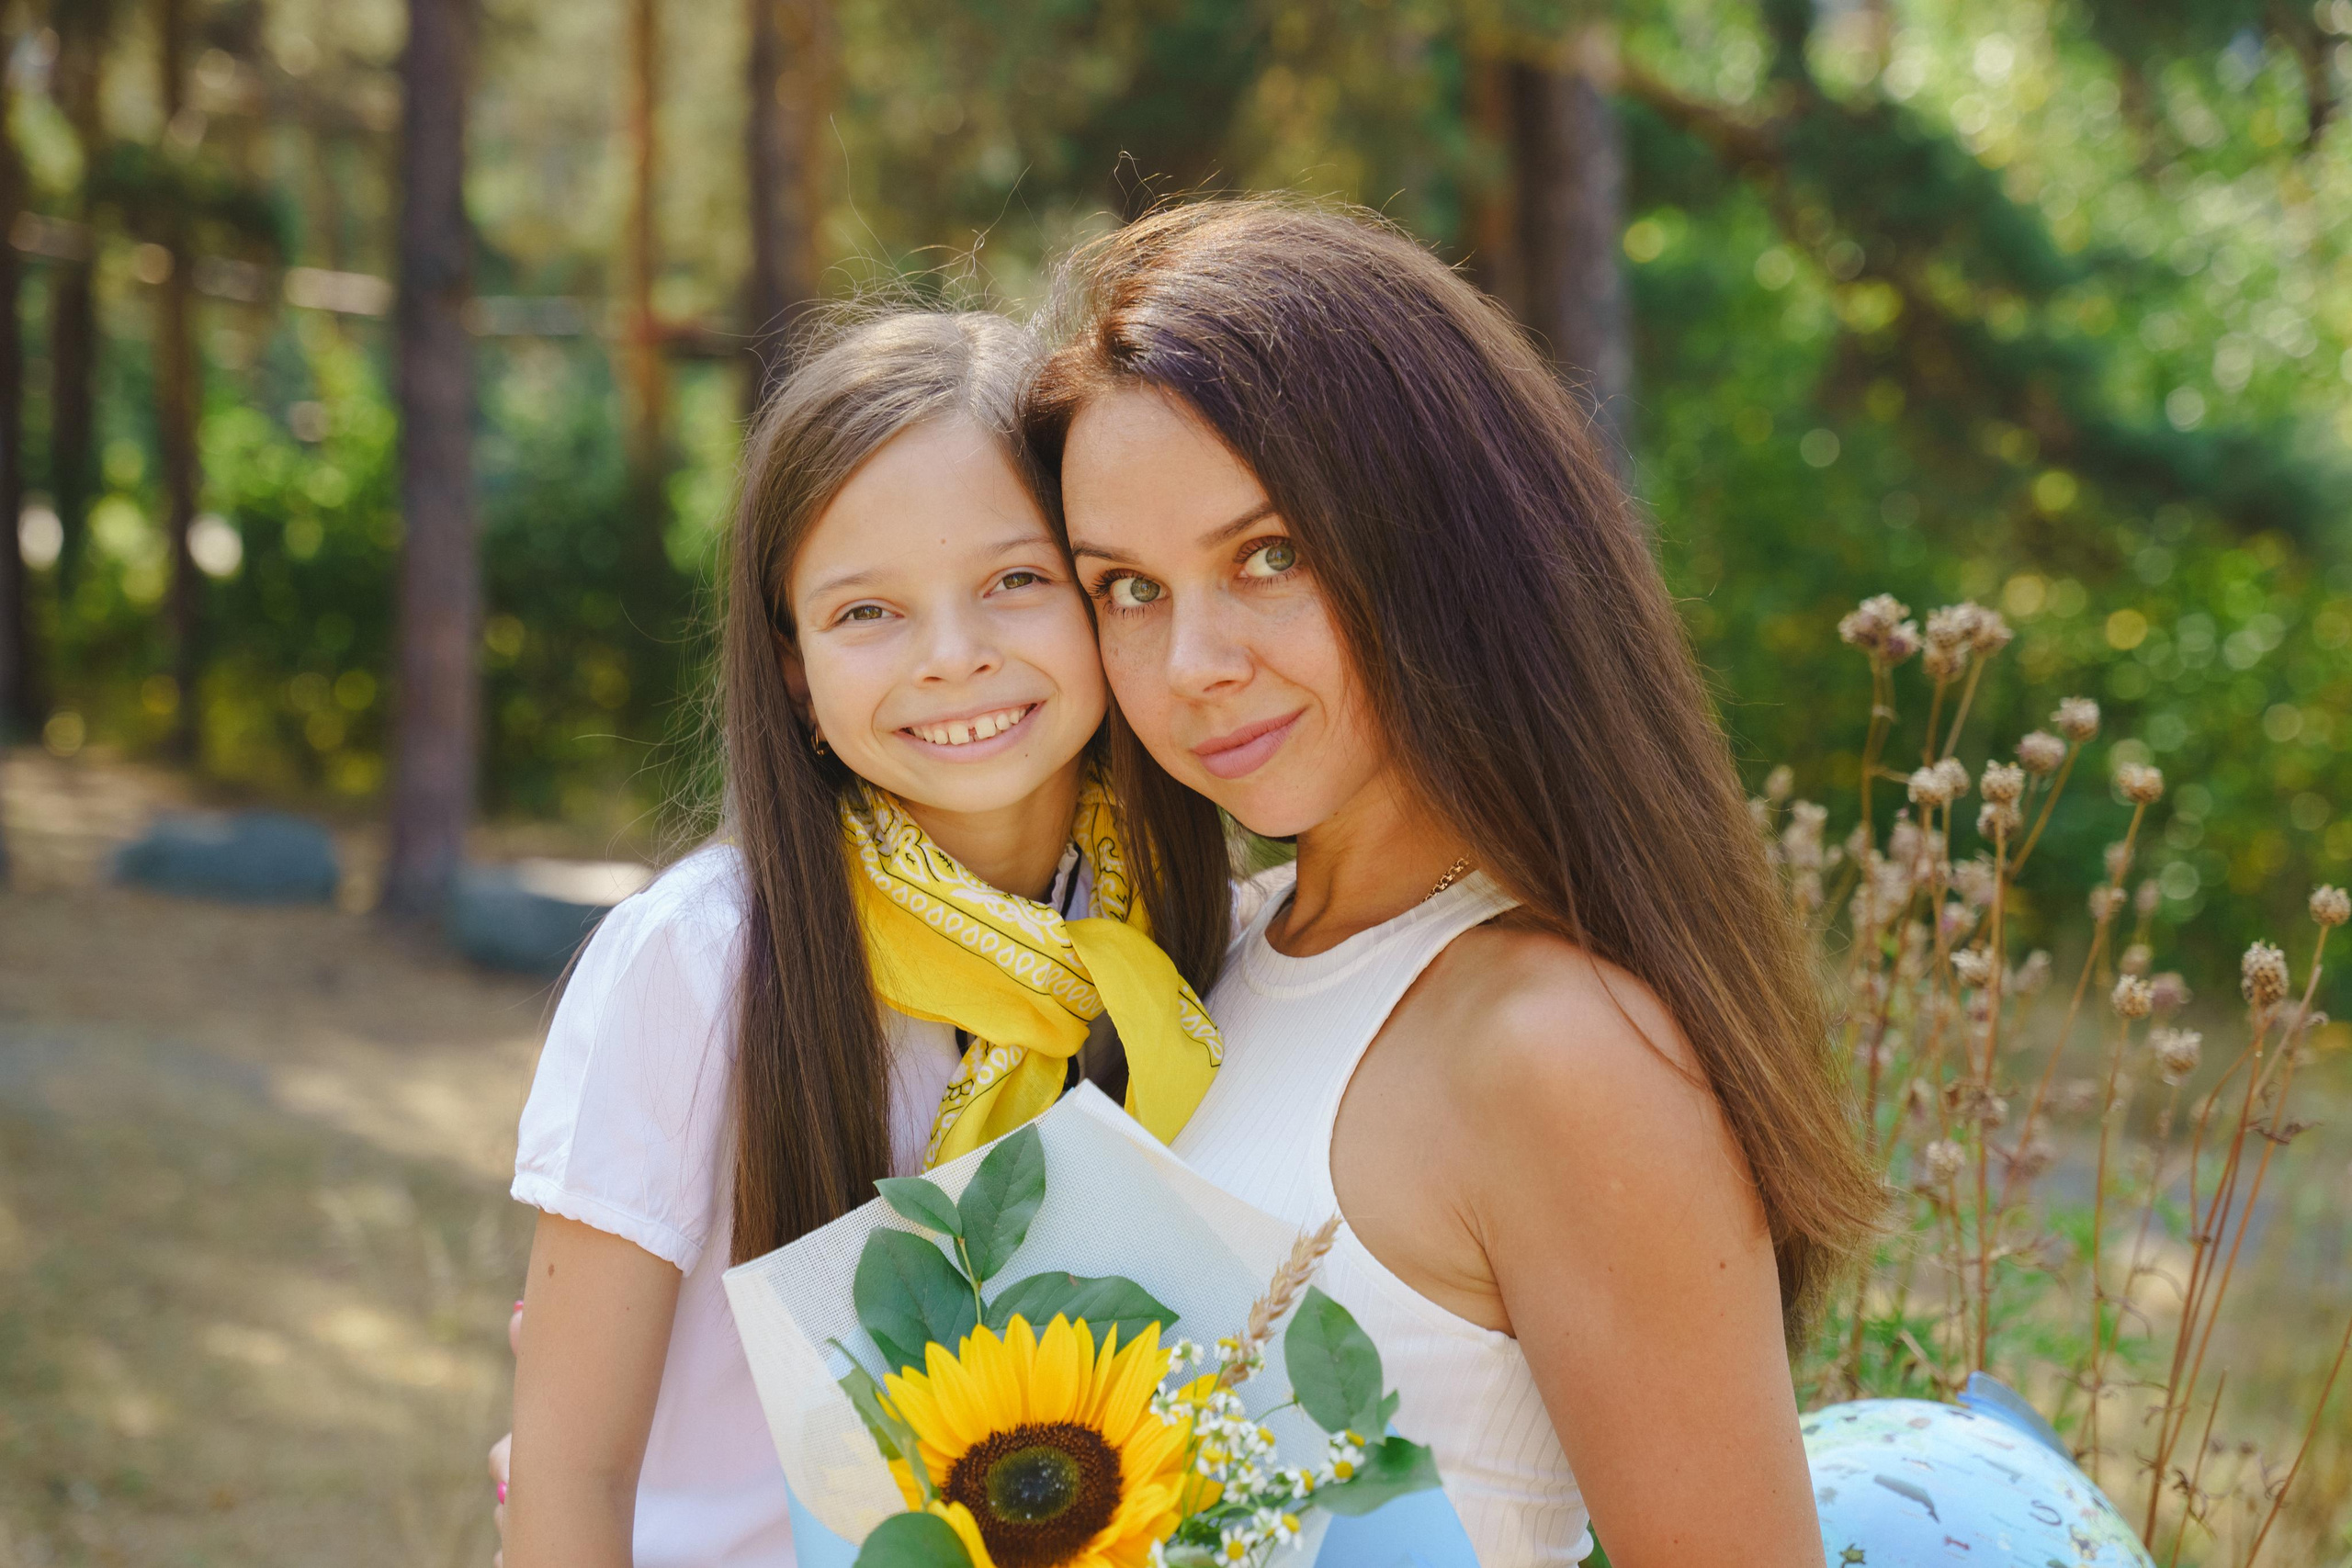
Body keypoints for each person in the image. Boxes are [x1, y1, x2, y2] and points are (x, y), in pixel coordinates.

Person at [1023, 197, 1883, 1568]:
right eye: (1126, 588)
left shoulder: (1557, 1049)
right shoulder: (1198, 962)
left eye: (1270, 555)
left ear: (1443, 547)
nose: (1193, 662)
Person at [495, 310, 1227, 1568]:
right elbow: (573, 1470)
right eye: (866, 612)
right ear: (792, 671)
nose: (954, 658)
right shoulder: (704, 962)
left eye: (1015, 581)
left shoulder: (1176, 947)